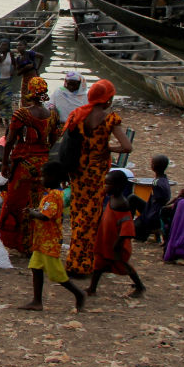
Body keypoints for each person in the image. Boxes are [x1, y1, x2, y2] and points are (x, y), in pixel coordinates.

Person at [62, 79, 133, 278]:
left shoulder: (78, 115)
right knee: (91, 219)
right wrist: (109, 148)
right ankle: (82, 263)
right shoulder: (110, 119)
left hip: (78, 172)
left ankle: (74, 259)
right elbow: (127, 147)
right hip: (96, 174)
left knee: (77, 217)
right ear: (107, 99)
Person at [0, 77, 59, 256]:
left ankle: (15, 241)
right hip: (42, 165)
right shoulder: (53, 114)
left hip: (23, 164)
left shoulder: (22, 114)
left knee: (15, 203)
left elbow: (10, 140)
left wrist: (4, 163)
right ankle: (32, 243)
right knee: (37, 202)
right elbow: (54, 141)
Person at [18, 162, 85, 312]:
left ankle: (78, 293)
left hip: (49, 241)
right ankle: (37, 301)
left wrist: (32, 213)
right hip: (43, 241)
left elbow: (45, 216)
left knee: (56, 274)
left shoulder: (53, 196)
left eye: (44, 175)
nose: (42, 178)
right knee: (35, 267)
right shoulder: (54, 194)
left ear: (53, 177)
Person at [86, 169, 147, 298]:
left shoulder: (121, 204)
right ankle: (92, 288)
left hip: (116, 244)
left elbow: (127, 227)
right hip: (106, 241)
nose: (105, 186)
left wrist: (119, 243)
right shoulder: (113, 198)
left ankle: (140, 286)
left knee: (123, 265)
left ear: (118, 186)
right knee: (99, 265)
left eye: (108, 184)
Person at [134, 155, 173, 242]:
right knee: (133, 198)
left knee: (135, 231)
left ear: (153, 166)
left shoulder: (157, 183)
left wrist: (147, 221)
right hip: (153, 211)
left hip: (151, 215)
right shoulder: (164, 180)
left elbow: (155, 205)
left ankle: (150, 230)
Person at [0, 39, 15, 127]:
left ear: (8, 46)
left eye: (6, 45)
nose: (4, 47)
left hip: (8, 80)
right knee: (1, 101)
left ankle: (7, 120)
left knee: (7, 101)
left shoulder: (10, 54)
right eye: (2, 45)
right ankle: (0, 119)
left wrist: (12, 71)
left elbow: (14, 64)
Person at [14, 36, 45, 102]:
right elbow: (18, 73)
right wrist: (25, 68)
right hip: (25, 78)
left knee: (34, 94)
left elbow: (42, 57)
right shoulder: (18, 58)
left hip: (33, 77)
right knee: (24, 96)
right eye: (17, 45)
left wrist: (37, 69)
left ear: (25, 46)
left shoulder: (30, 53)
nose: (18, 47)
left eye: (20, 45)